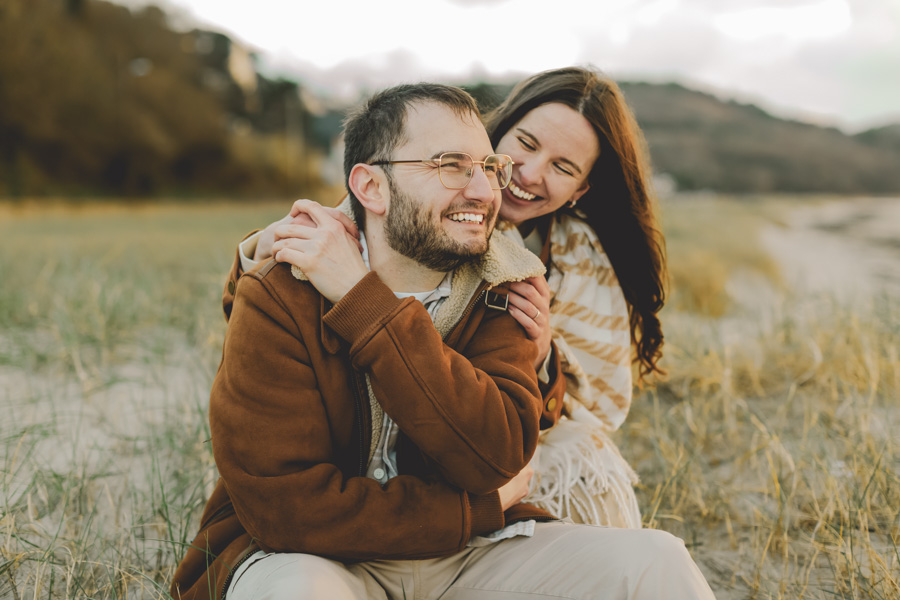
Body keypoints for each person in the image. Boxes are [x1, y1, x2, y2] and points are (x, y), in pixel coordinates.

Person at [171, 82, 714, 599]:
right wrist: (471, 509)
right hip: (310, 559)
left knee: (657, 562)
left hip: (466, 553)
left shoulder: (511, 281)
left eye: (485, 169)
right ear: (370, 187)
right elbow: (286, 511)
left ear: (580, 188)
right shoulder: (288, 276)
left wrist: (543, 361)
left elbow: (498, 455)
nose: (493, 186)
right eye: (452, 166)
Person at [235, 66, 666, 528]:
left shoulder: (576, 258)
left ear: (580, 190)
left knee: (583, 479)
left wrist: (543, 361)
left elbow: (573, 401)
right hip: (381, 440)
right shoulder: (395, 213)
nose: (530, 172)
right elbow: (277, 309)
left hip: (484, 429)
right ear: (495, 132)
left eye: (563, 167)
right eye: (526, 144)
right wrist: (259, 253)